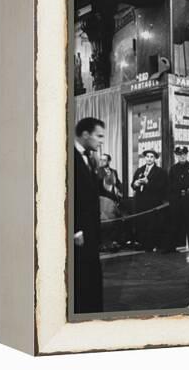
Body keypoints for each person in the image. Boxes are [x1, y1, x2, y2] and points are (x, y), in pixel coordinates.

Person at [74, 117, 105, 313]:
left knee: (91, 278)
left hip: (91, 232)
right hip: (79, 235)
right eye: (99, 136)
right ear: (85, 134)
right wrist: (75, 229)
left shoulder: (90, 158)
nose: (101, 140)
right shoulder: (68, 157)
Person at [131, 149, 168, 252]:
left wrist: (148, 182)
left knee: (152, 224)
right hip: (140, 202)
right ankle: (143, 243)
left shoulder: (160, 172)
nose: (149, 159)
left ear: (155, 158)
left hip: (152, 203)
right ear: (144, 158)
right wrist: (135, 184)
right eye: (147, 156)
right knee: (141, 223)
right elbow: (132, 184)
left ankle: (151, 245)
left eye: (151, 157)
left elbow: (162, 187)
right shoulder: (139, 170)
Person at [167, 146, 189, 252]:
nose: (182, 156)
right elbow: (170, 185)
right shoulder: (173, 169)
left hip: (188, 199)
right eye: (180, 154)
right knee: (174, 222)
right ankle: (173, 246)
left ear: (187, 155)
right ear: (176, 156)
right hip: (176, 199)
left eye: (184, 154)